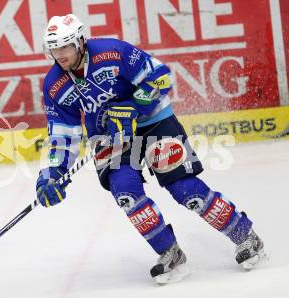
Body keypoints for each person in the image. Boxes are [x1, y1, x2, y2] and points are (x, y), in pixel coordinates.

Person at [36, 14, 266, 284]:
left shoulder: (113, 51)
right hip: (111, 136)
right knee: (125, 192)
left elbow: (159, 77)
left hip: (153, 121)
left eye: (65, 47)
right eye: (54, 49)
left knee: (185, 189)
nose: (60, 55)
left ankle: (245, 236)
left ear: (80, 42)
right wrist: (52, 173)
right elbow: (63, 133)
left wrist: (134, 107)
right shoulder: (55, 85)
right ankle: (170, 252)